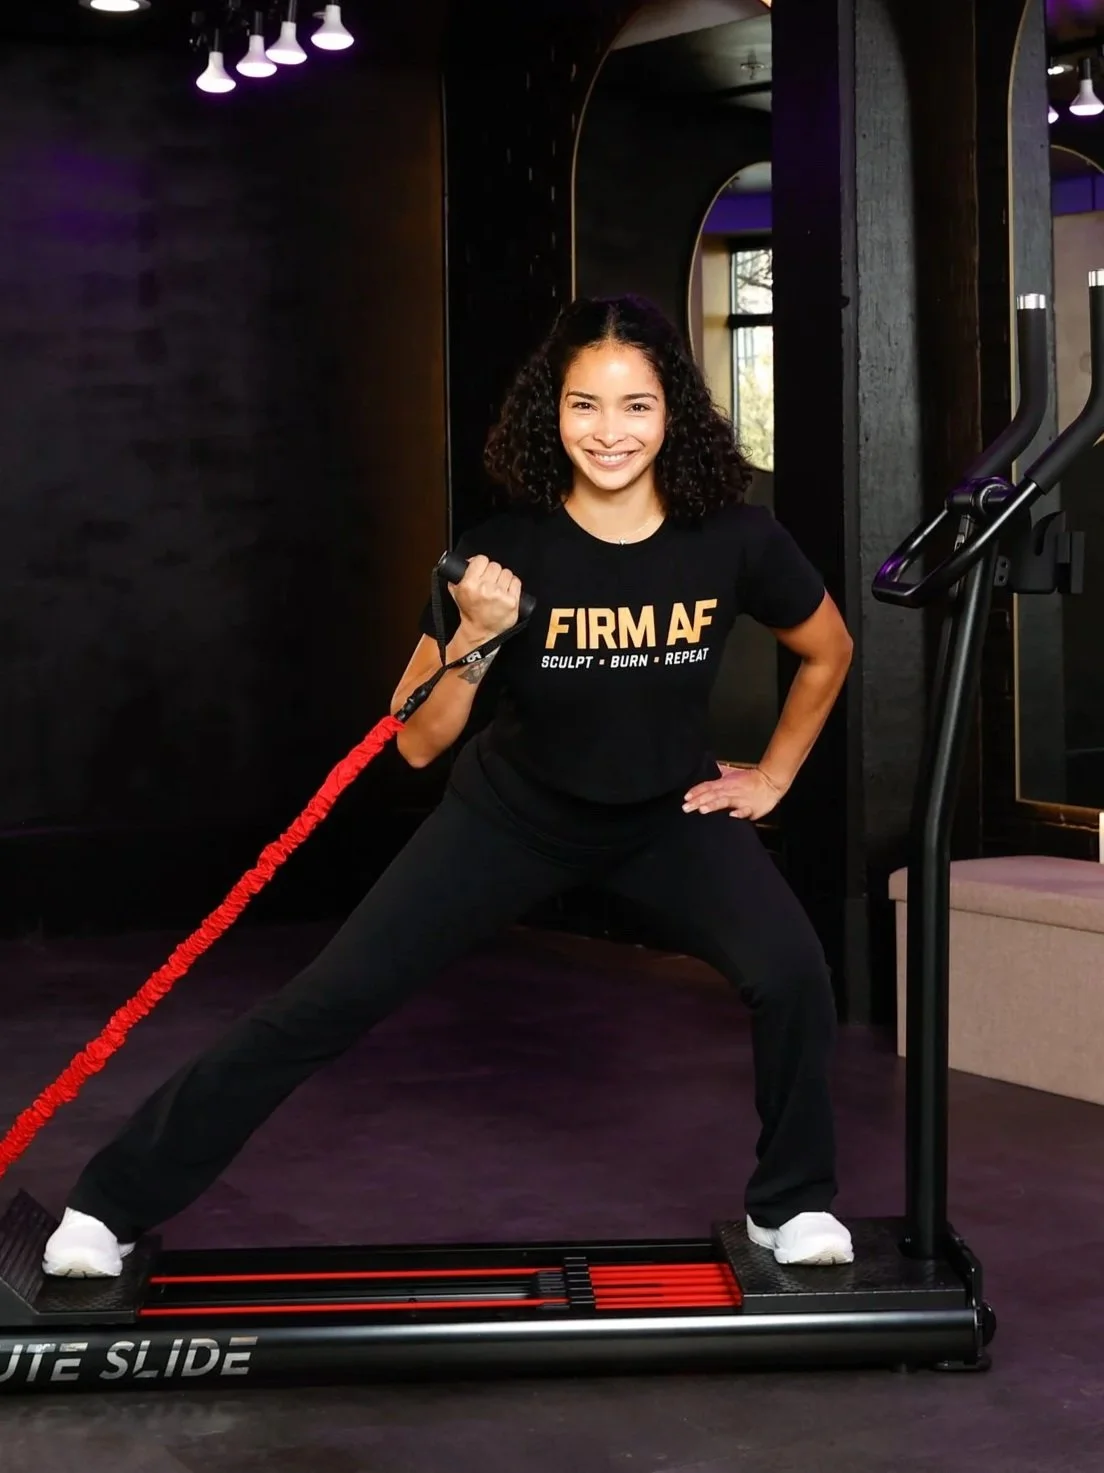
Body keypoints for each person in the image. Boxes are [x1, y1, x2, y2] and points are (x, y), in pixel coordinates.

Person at [44, 294, 855, 1278]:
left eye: (636, 406)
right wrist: (475, 638)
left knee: (794, 973)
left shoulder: (732, 538)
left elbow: (827, 649)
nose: (610, 432)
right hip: (511, 817)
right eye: (584, 406)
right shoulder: (497, 552)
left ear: (671, 411)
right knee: (324, 1004)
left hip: (666, 816)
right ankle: (109, 1203)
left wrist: (774, 774)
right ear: (549, 416)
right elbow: (419, 744)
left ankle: (792, 1207)